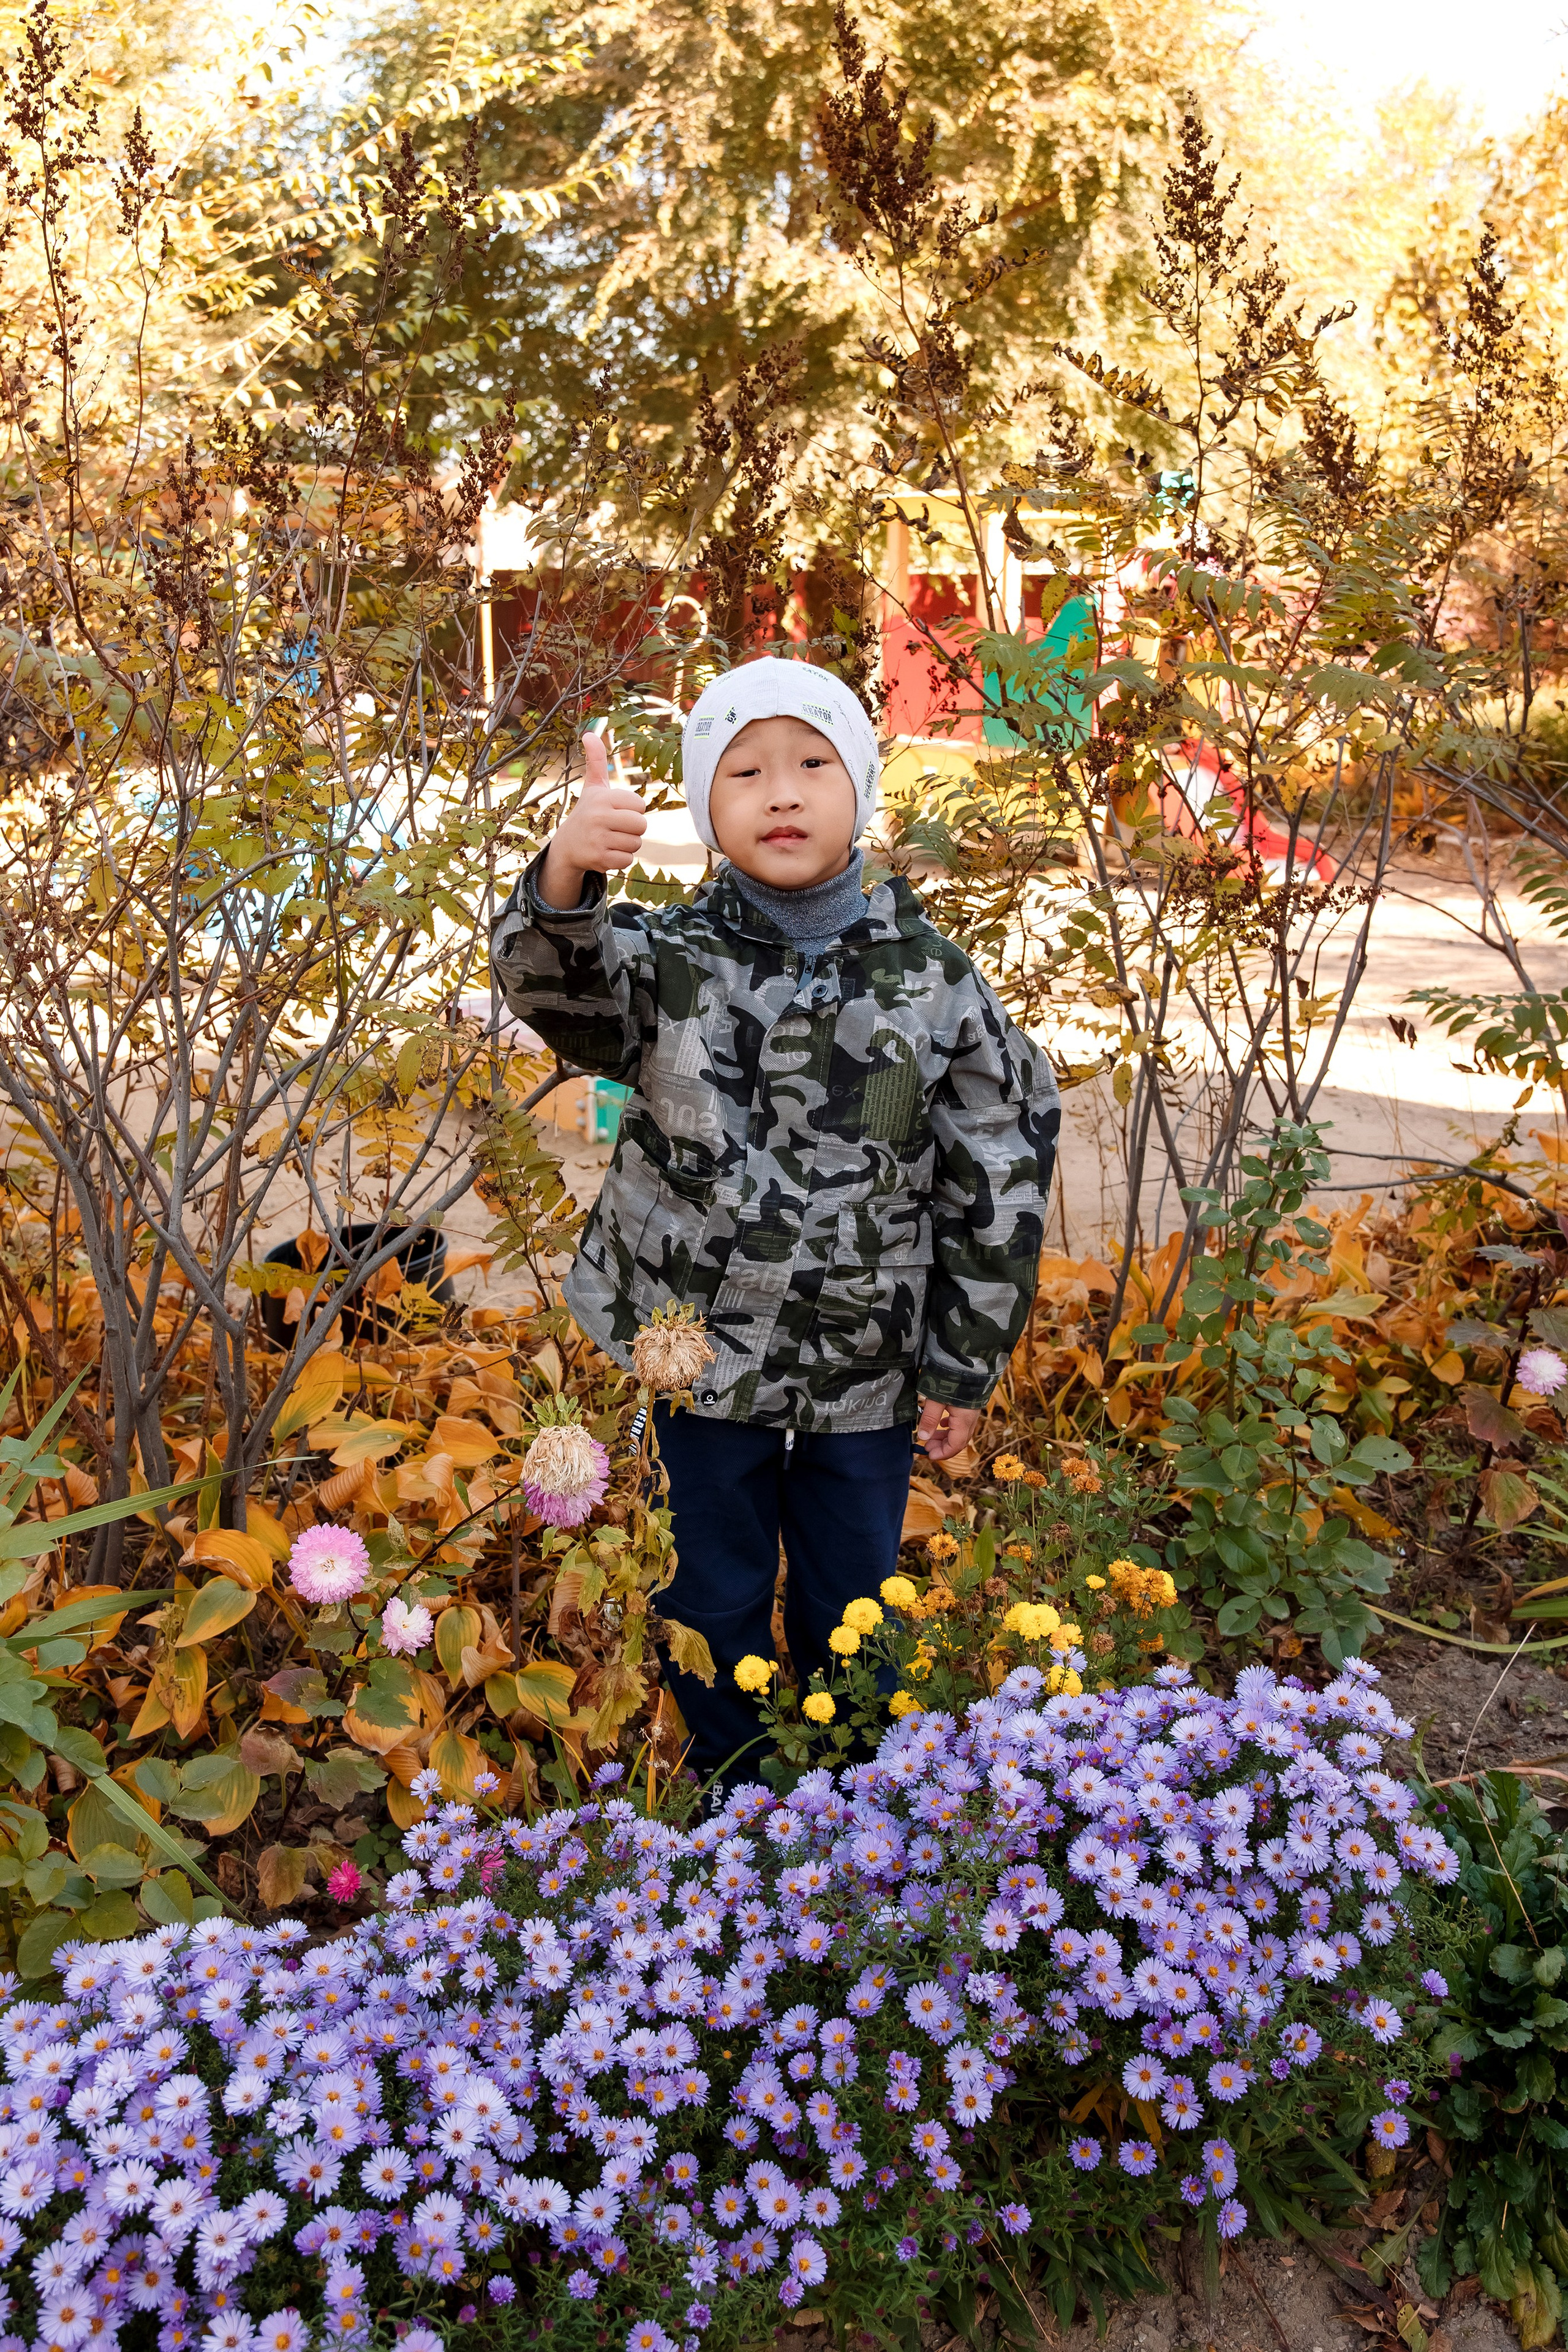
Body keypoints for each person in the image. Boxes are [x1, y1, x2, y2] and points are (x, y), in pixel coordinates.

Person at [490, 656, 1059, 1787]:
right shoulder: (667, 962)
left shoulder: (935, 983)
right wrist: (566, 877)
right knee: (710, 1581)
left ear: (861, 790)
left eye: (814, 764)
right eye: (744, 772)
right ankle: (735, 1781)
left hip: (866, 1358)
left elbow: (999, 1169)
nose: (783, 792)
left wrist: (963, 1363)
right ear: (708, 808)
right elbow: (559, 992)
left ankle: (855, 1785)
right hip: (695, 1349)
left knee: (859, 1586)